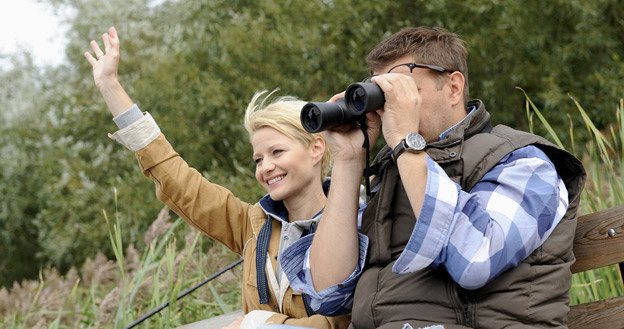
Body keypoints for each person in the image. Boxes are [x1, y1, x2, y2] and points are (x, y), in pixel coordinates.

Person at [281, 26, 586, 329]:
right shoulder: (389, 178)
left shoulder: (525, 162)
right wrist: (349, 160)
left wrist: (405, 140)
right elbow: (325, 291)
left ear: (453, 87)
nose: (391, 107)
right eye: (383, 96)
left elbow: (475, 259)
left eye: (404, 91)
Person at [84, 26, 351, 329]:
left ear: (317, 148)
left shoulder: (353, 221)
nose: (266, 167)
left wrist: (262, 323)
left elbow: (344, 320)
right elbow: (179, 181)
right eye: (258, 159)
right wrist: (110, 85)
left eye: (277, 152)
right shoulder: (251, 225)